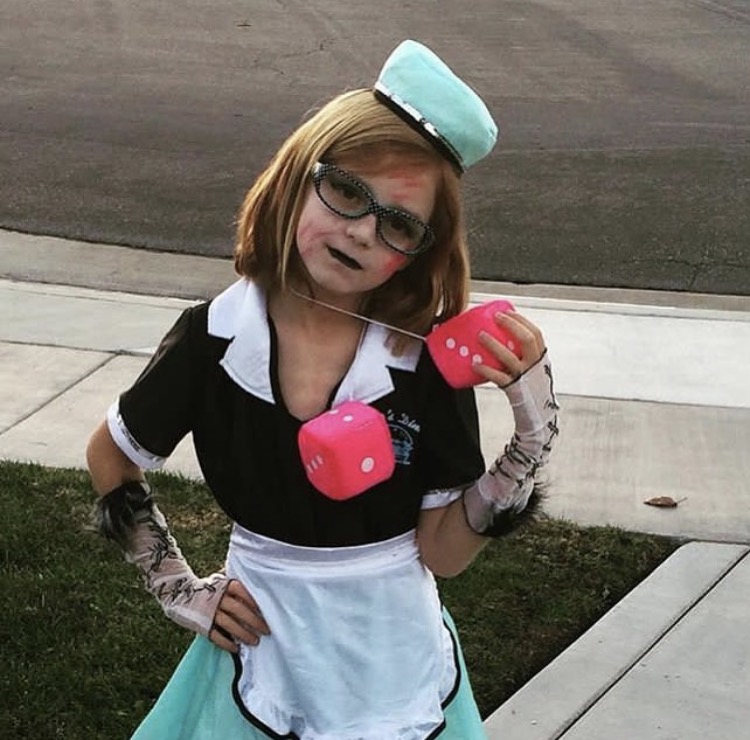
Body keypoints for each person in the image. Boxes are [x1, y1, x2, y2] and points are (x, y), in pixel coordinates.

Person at [86, 39, 559, 740]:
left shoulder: (419, 362)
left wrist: (532, 433)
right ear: (294, 179)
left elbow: (445, 554)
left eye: (399, 224)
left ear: (421, 251)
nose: (363, 232)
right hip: (263, 646)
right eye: (346, 191)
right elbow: (110, 455)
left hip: (391, 657)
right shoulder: (215, 340)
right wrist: (177, 587)